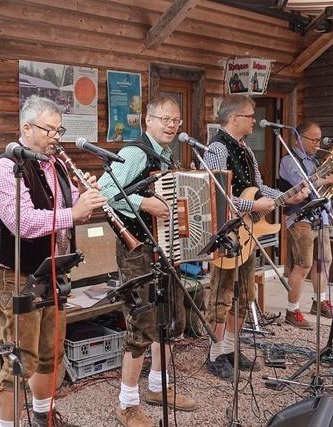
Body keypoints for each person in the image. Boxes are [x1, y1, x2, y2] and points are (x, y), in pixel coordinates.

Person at [0, 95, 106, 427]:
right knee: (20, 357)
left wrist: (84, 199)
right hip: (17, 275)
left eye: (58, 129)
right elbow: (23, 223)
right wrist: (73, 211)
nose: (56, 136)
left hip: (53, 270)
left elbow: (69, 216)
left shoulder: (57, 166)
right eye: (49, 129)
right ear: (26, 128)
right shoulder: (6, 169)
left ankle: (42, 415)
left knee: (52, 351)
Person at [99, 95, 198, 427]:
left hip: (164, 247)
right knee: (142, 323)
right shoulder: (134, 152)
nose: (171, 125)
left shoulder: (168, 156)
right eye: (165, 119)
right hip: (136, 250)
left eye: (176, 120)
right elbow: (104, 191)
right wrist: (145, 204)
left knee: (172, 318)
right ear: (148, 121)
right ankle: (126, 403)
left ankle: (158, 386)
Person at [202, 94, 309, 381]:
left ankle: (231, 350)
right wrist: (252, 206)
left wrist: (287, 197)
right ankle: (214, 355)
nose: (254, 120)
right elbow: (215, 192)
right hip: (227, 233)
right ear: (235, 117)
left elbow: (259, 188)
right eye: (250, 116)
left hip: (248, 232)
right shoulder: (216, 148)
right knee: (222, 294)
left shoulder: (246, 150)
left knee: (244, 294)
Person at [278, 121, 333, 329]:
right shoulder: (289, 161)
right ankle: (292, 310)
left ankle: (319, 302)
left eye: (319, 139)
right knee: (303, 265)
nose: (318, 144)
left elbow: (322, 187)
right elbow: (303, 185)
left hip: (322, 216)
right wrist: (330, 179)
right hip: (301, 218)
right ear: (299, 138)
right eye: (314, 139)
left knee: (324, 261)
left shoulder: (314, 161)